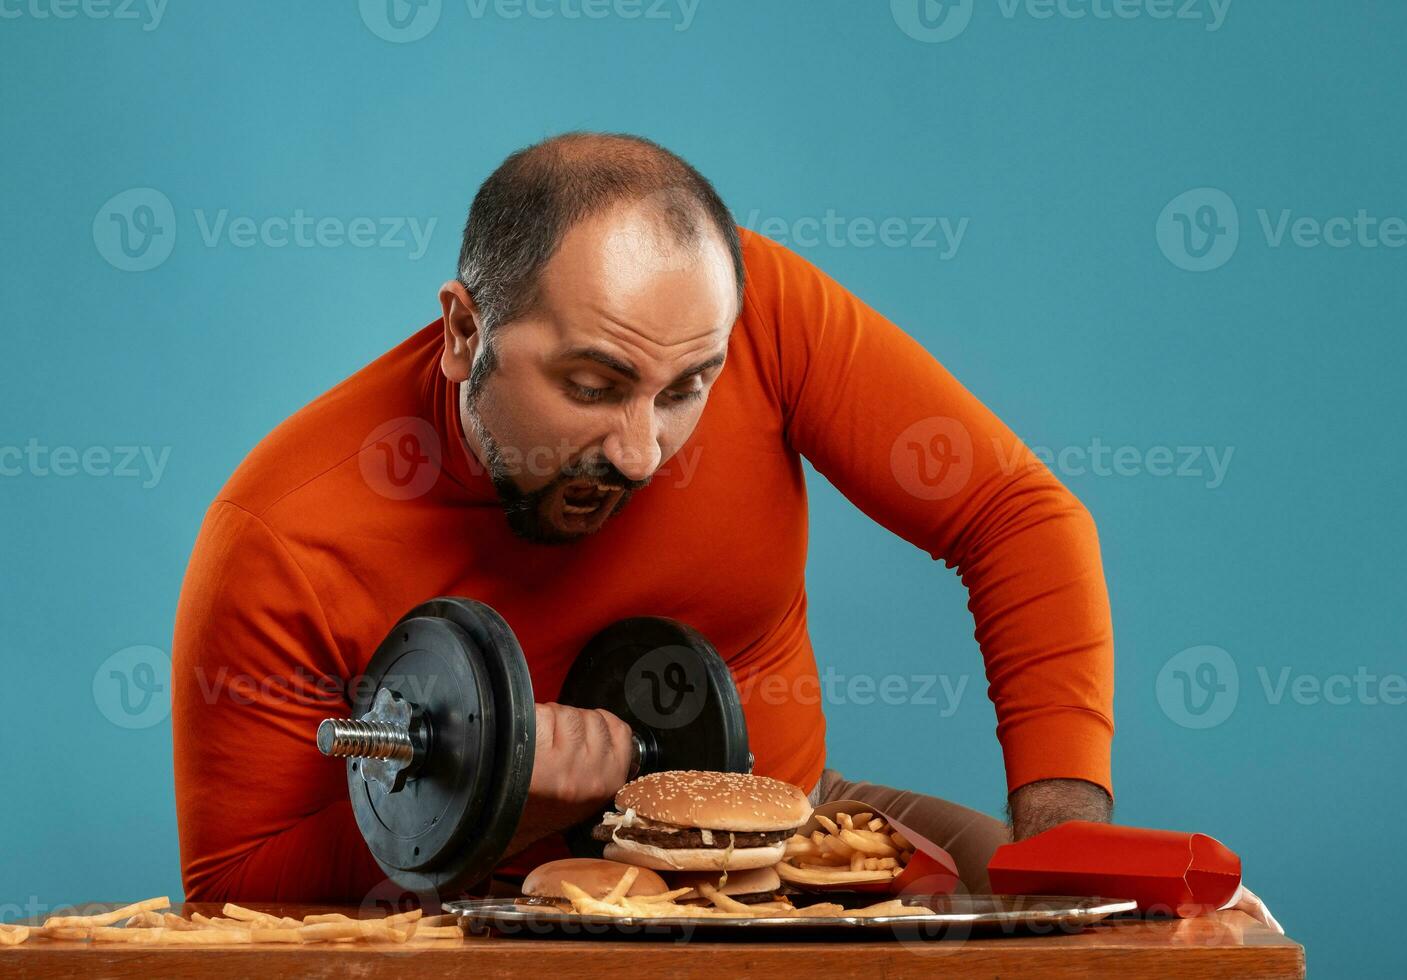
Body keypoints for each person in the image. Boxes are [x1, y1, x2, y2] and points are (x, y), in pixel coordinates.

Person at [171, 132, 1276, 929]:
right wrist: (499, 798)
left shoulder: (764, 313)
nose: (645, 451)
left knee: (1110, 939)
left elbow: (1016, 515)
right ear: (466, 331)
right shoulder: (280, 533)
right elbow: (232, 892)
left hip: (790, 837)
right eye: (595, 383)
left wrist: (1060, 833)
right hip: (469, 915)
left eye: (687, 387)